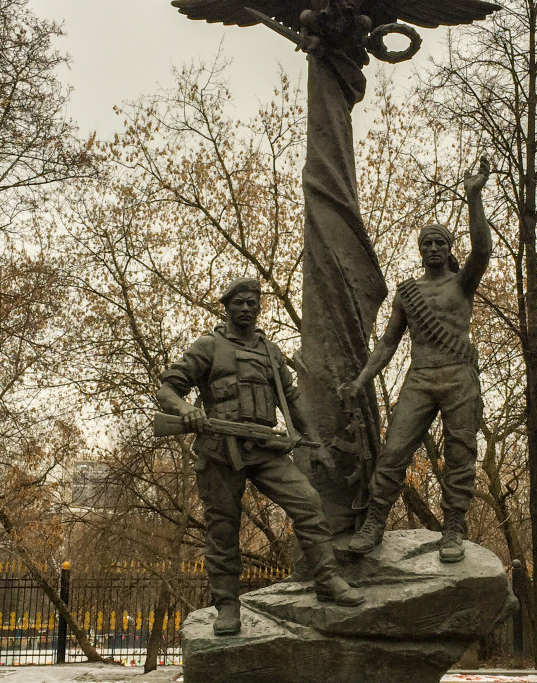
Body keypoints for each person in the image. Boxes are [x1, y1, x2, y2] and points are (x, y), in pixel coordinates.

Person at [157, 277, 360, 635]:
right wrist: (186, 409)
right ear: (227, 306)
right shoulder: (208, 347)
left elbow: (293, 398)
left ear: (259, 307)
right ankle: (227, 606)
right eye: (240, 302)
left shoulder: (271, 352)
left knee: (309, 504)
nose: (247, 308)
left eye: (253, 302)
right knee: (223, 529)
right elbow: (168, 389)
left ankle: (327, 580)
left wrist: (312, 441)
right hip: (220, 451)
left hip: (265, 447)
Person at [345, 157, 492, 562]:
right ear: (420, 250)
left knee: (460, 453)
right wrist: (361, 380)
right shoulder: (407, 293)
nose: (432, 248)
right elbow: (388, 344)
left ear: (448, 249)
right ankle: (375, 522)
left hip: (459, 376)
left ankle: (453, 529)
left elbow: (483, 247)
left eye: (439, 242)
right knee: (394, 452)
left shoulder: (463, 283)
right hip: (421, 376)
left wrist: (473, 196)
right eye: (426, 243)